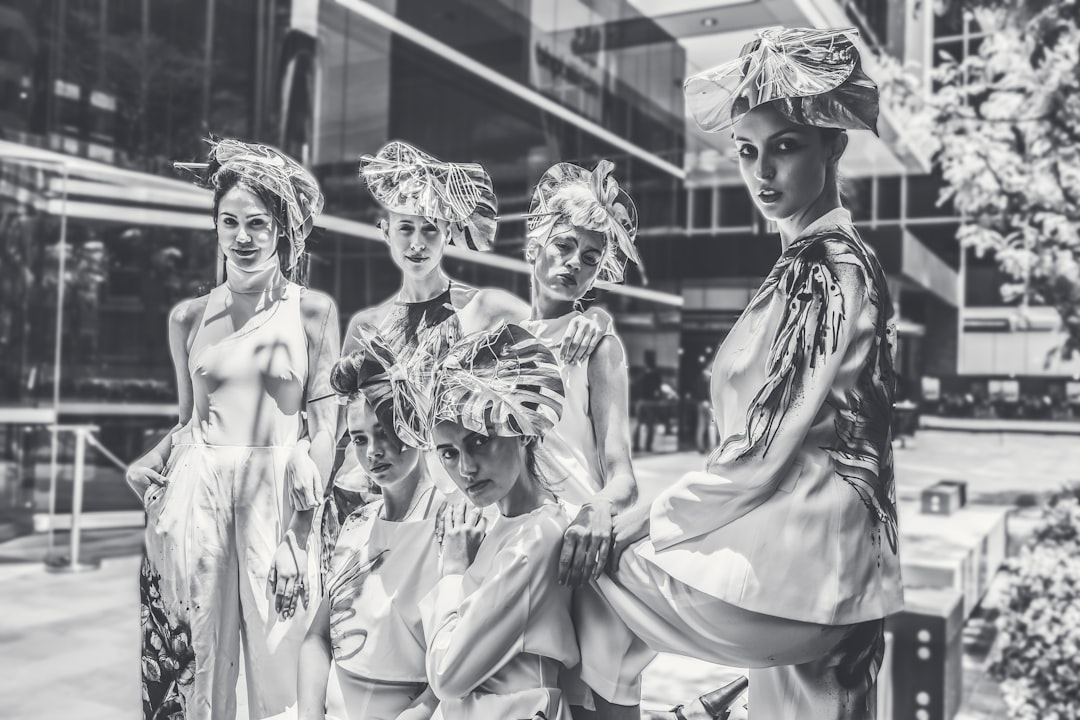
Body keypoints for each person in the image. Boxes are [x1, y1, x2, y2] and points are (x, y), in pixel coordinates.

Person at [601, 28, 903, 719]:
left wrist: (634, 522)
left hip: (801, 577)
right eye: (746, 152)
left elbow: (759, 449)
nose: (762, 173)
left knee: (563, 560)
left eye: (786, 146)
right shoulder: (817, 261)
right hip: (806, 568)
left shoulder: (825, 265)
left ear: (834, 146)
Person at [127, 139, 340, 719]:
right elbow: (188, 423)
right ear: (215, 227)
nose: (243, 237)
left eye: (258, 223)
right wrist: (149, 460)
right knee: (197, 660)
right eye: (230, 222)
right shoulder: (188, 317)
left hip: (279, 498)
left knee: (284, 659)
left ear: (281, 231)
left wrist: (299, 535)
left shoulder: (313, 311)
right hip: (199, 494)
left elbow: (325, 428)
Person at [323, 141, 611, 525]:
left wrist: (595, 318)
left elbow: (550, 345)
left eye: (430, 229)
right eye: (405, 227)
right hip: (378, 502)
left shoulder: (488, 308)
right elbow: (348, 429)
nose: (417, 243)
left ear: (448, 232)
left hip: (459, 504)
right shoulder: (366, 324)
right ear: (385, 231)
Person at [518, 159, 646, 719]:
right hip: (518, 551)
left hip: (581, 552)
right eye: (565, 246)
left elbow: (623, 478)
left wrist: (597, 510)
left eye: (591, 257)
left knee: (600, 708)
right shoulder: (497, 338)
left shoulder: (599, 346)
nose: (574, 264)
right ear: (535, 242)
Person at [423, 324, 579, 720]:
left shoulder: (534, 540)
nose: (467, 468)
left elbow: (447, 676)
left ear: (523, 430)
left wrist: (453, 573)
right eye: (448, 453)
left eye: (479, 440)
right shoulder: (506, 526)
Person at [298, 325, 443, 720]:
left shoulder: (451, 523)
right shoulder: (357, 522)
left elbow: (462, 660)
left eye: (385, 431)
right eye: (359, 439)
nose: (374, 451)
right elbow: (318, 637)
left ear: (416, 424)